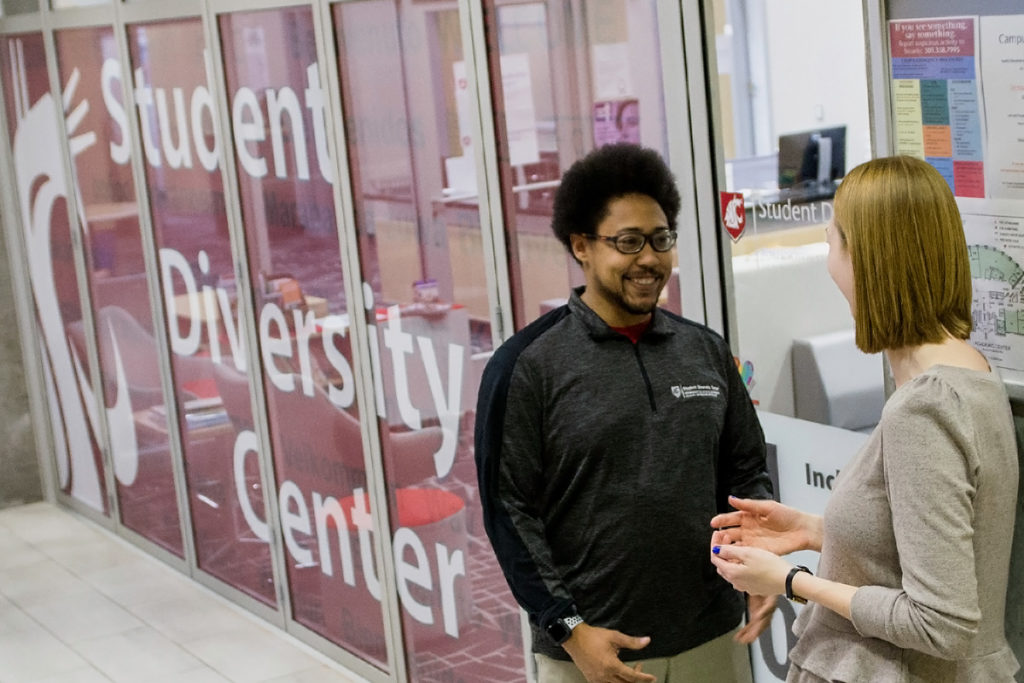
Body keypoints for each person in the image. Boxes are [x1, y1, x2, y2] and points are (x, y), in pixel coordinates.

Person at [709, 155, 1020, 682]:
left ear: (866, 259)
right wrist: (813, 530)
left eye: (832, 241)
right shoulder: (969, 371)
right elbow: (928, 550)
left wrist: (789, 581)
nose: (828, 261)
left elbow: (942, 622)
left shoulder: (925, 408)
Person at [475, 143, 773, 683]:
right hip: (593, 653)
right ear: (581, 246)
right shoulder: (526, 365)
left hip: (713, 638)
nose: (650, 258)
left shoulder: (703, 351)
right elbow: (508, 509)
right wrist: (568, 629)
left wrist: (761, 568)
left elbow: (746, 473)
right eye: (628, 242)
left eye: (661, 240)